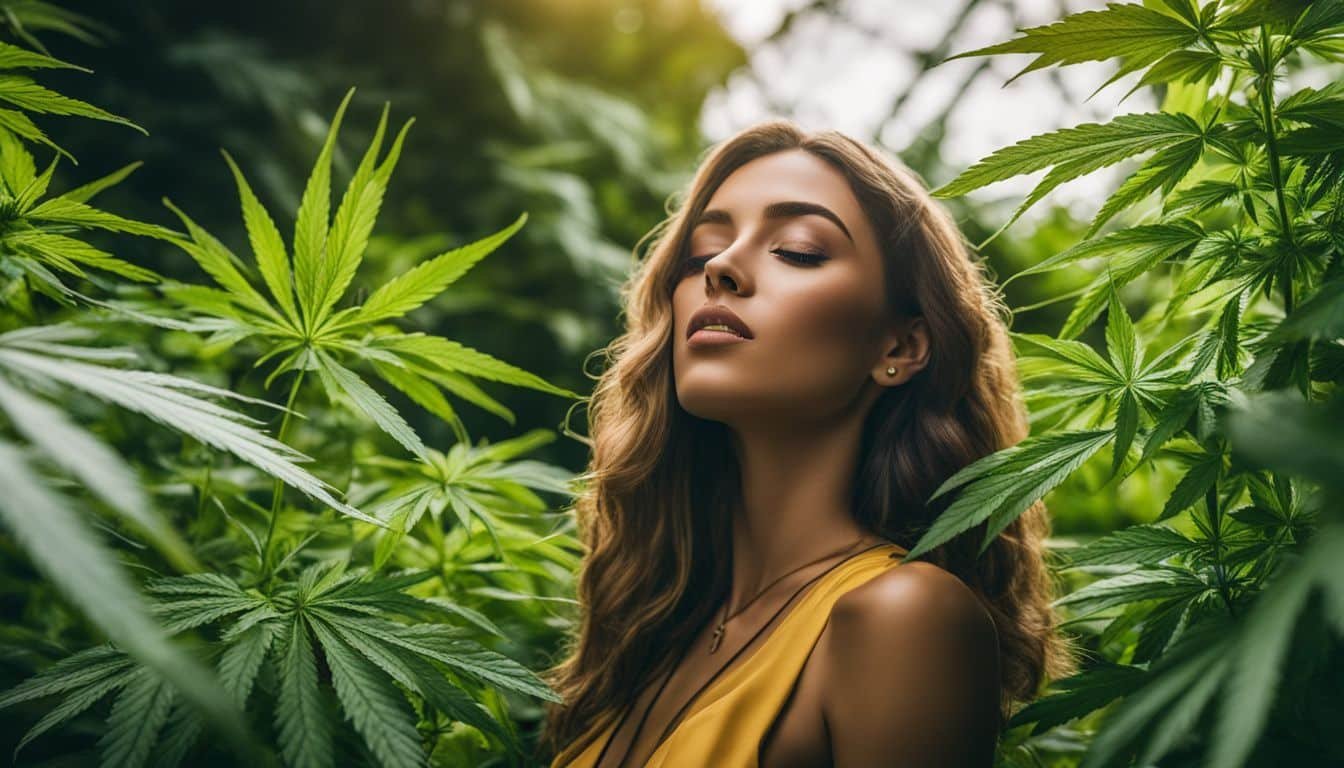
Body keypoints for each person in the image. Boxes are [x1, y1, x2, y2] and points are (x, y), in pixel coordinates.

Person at [538, 119, 1076, 767]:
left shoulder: (903, 617)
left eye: (797, 250)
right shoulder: (651, 637)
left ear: (899, 347)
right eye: (701, 253)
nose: (723, 268)